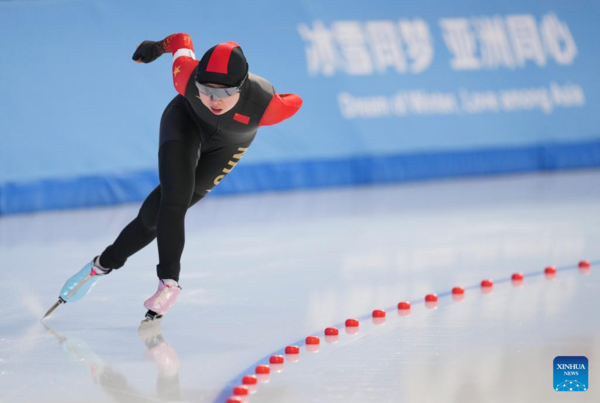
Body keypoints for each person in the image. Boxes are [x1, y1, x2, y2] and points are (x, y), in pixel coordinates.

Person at [45, 33, 302, 324]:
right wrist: (154, 49)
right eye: (205, 90)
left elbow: (297, 100)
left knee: (154, 216)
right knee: (174, 198)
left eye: (223, 93)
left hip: (229, 145)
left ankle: (100, 265)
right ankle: (168, 282)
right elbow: (182, 40)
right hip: (184, 123)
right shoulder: (185, 77)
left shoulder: (269, 105)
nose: (213, 101)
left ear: (242, 89)